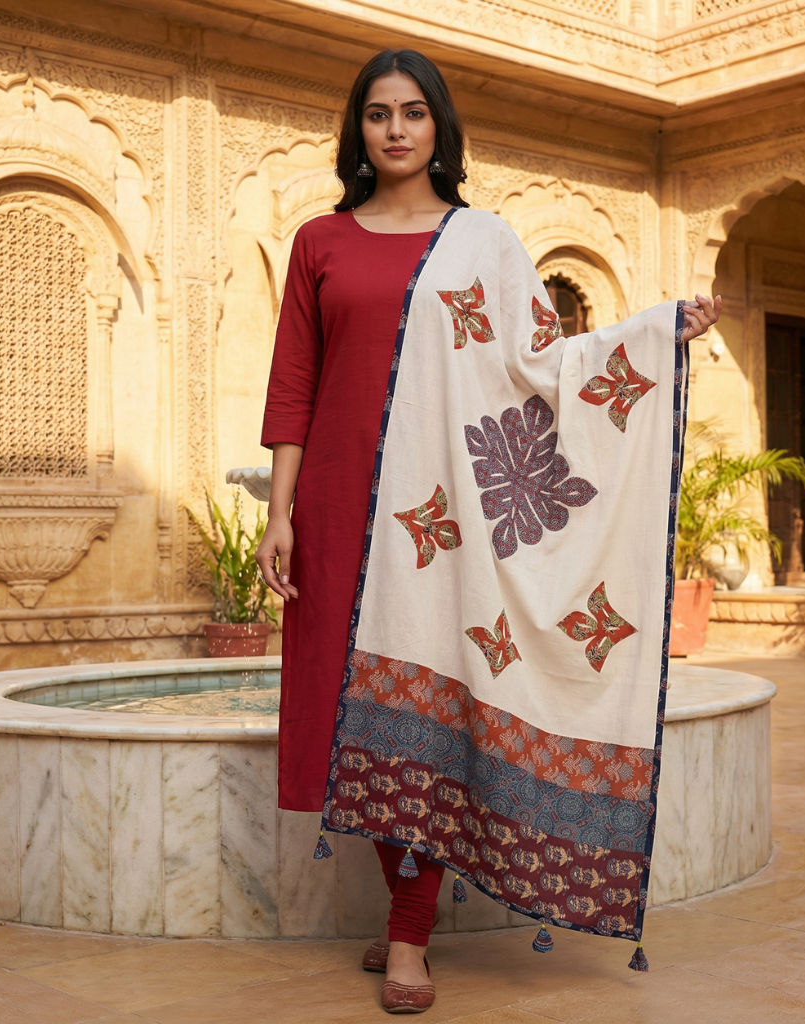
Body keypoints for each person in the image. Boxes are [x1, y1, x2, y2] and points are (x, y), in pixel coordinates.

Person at [257, 48, 720, 1014]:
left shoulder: (485, 243)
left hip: (442, 520)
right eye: (378, 113)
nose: (395, 129)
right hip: (341, 509)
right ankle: (403, 918)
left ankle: (409, 936)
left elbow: (544, 366)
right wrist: (281, 512)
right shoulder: (319, 242)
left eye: (413, 113)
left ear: (439, 129)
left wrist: (652, 333)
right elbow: (293, 383)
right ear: (358, 130)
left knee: (431, 694)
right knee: (356, 712)